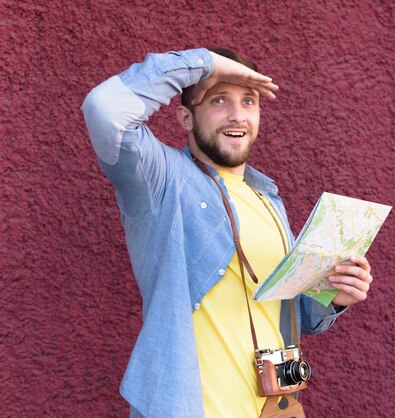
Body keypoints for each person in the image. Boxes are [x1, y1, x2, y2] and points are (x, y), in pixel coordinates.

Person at [81, 48, 373, 417]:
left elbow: (294, 313)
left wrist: (336, 293)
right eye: (219, 99)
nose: (237, 115)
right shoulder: (161, 180)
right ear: (186, 117)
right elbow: (105, 110)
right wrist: (203, 64)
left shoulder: (267, 198)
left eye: (249, 101)